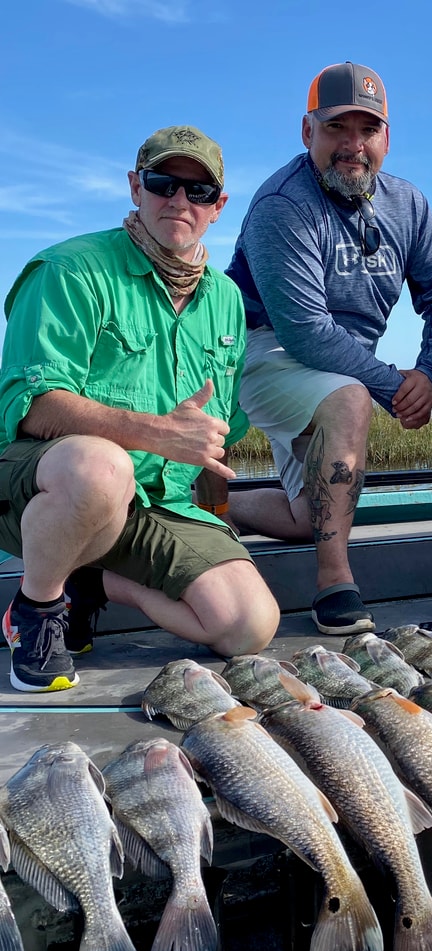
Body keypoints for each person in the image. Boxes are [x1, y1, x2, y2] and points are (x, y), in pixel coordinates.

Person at [0, 125, 281, 693]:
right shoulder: (69, 270)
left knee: (249, 626)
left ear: (218, 207)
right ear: (135, 187)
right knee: (102, 468)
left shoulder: (226, 299)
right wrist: (153, 433)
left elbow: (215, 429)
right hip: (47, 490)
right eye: (163, 184)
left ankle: (92, 584)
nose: (180, 201)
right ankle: (36, 610)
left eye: (199, 192)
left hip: (156, 503)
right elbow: (30, 406)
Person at [225, 62, 432, 635]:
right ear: (307, 132)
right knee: (352, 399)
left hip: (341, 368)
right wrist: (392, 388)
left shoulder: (409, 204)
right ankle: (334, 581)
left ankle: (214, 501)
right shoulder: (282, 204)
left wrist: (431, 376)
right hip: (266, 351)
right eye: (337, 128)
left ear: (387, 137)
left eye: (368, 129)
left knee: (309, 509)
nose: (352, 145)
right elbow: (305, 329)